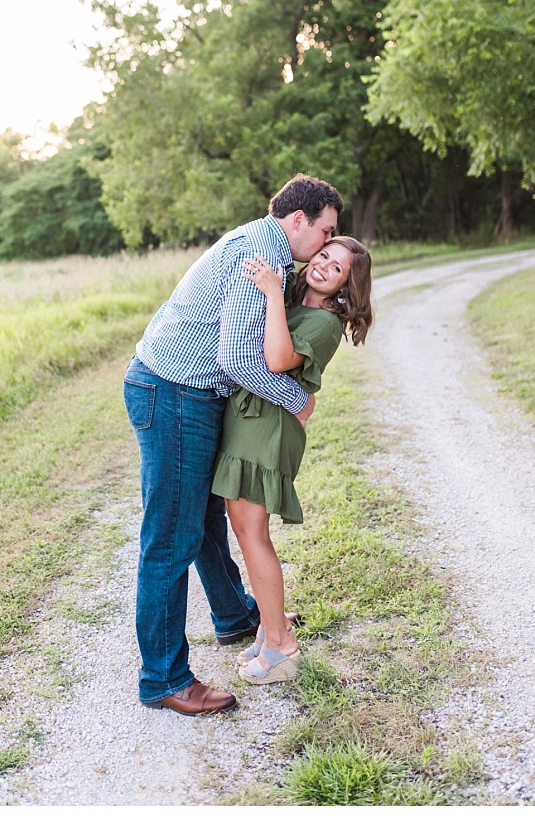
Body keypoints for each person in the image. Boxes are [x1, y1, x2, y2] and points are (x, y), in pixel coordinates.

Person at [124, 173, 343, 716]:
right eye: (326, 231)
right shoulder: (260, 254)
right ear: (300, 220)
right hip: (173, 391)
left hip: (183, 390)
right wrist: (297, 401)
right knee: (170, 539)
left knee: (203, 524)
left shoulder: (265, 248)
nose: (324, 243)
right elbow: (239, 358)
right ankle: (163, 678)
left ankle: (235, 616)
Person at [212, 237, 373, 684]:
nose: (323, 266)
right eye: (324, 255)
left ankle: (282, 646)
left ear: (346, 286)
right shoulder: (292, 296)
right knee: (246, 531)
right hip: (250, 416)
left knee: (252, 533)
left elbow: (279, 359)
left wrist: (270, 295)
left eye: (337, 268)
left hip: (269, 427)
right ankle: (269, 631)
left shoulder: (324, 321)